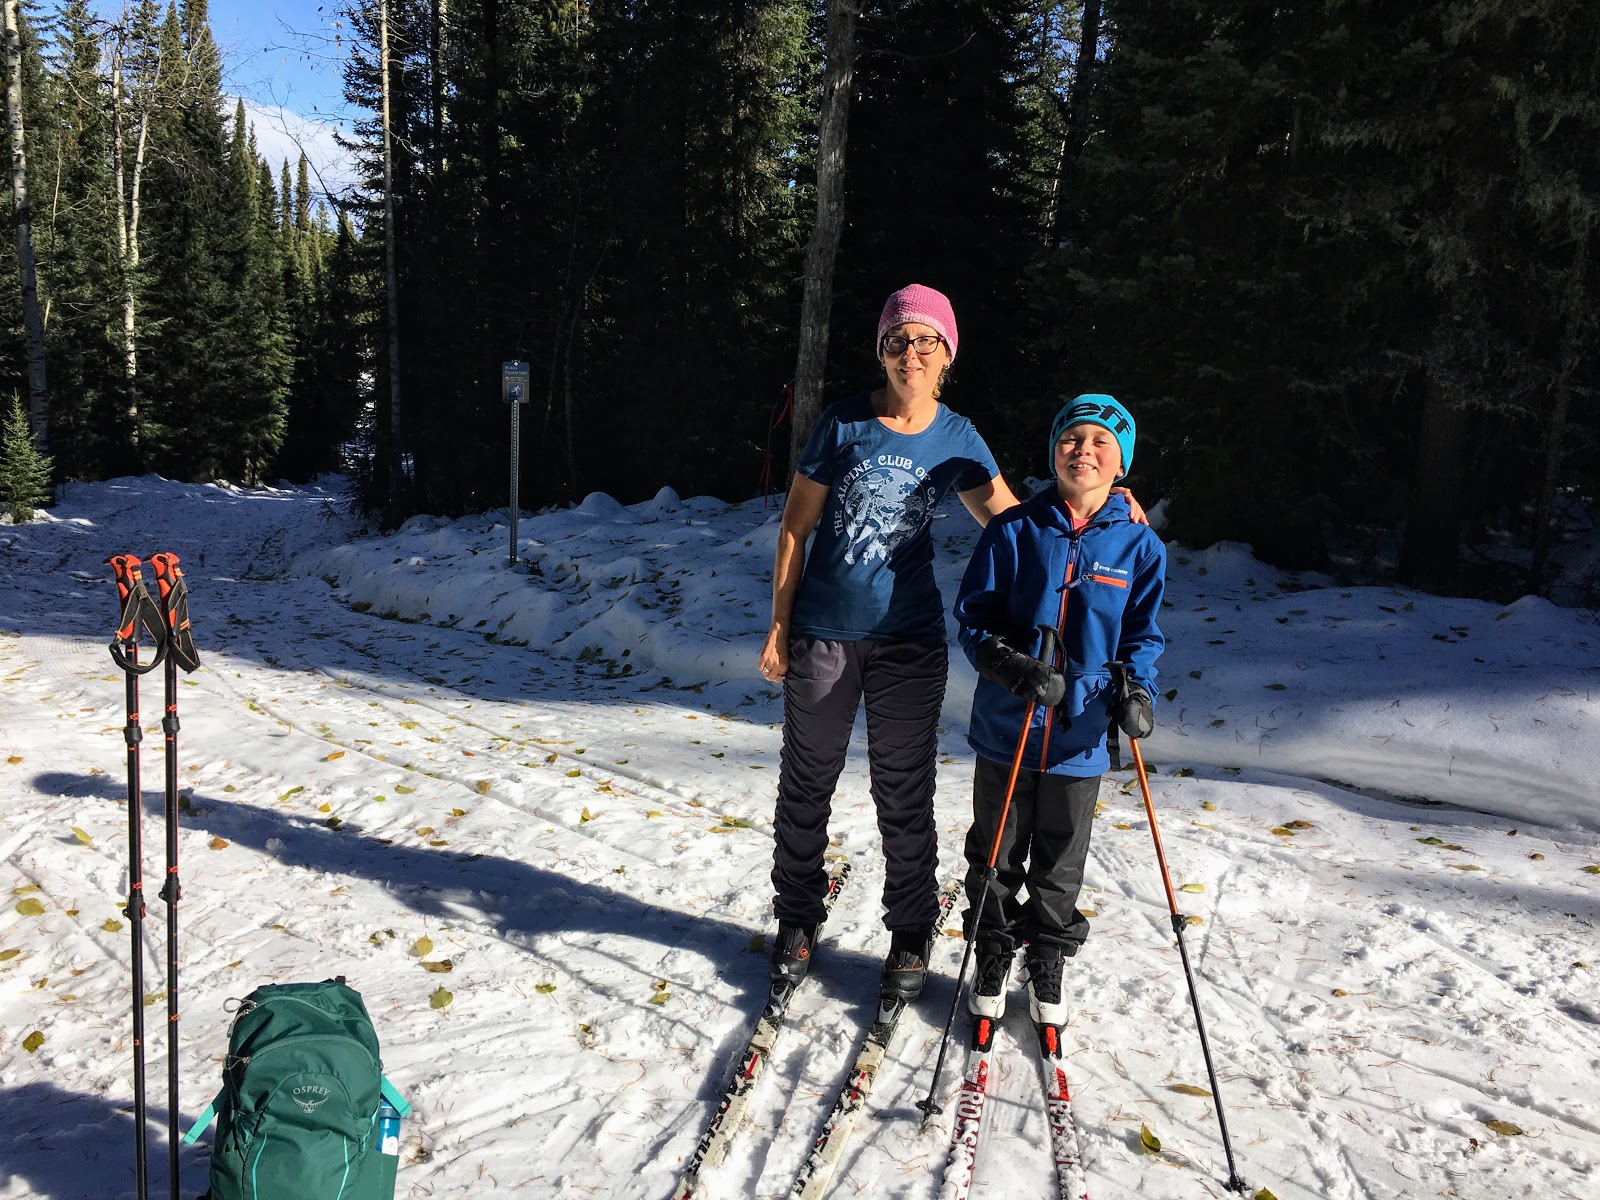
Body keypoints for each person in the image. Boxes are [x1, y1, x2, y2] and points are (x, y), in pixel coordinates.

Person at [759, 284, 1021, 1003]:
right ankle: (796, 917)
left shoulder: (958, 437)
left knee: (905, 790)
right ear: (882, 351)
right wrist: (780, 625)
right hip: (824, 635)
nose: (912, 353)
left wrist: (1098, 508)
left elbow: (1018, 525)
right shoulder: (842, 423)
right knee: (806, 782)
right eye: (898, 341)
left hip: (909, 640)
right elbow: (794, 527)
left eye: (926, 341)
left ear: (947, 356)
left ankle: (910, 931)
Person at [951, 393, 1166, 1024]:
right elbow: (974, 620)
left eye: (1102, 442)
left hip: (1081, 734)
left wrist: (1136, 691)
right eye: (1072, 439)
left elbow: (1141, 637)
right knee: (995, 849)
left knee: (1061, 858)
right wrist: (1010, 667)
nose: (1085, 451)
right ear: (1054, 452)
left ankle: (1047, 955)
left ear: (1120, 460)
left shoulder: (1139, 547)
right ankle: (992, 947)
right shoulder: (1014, 529)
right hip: (1009, 726)